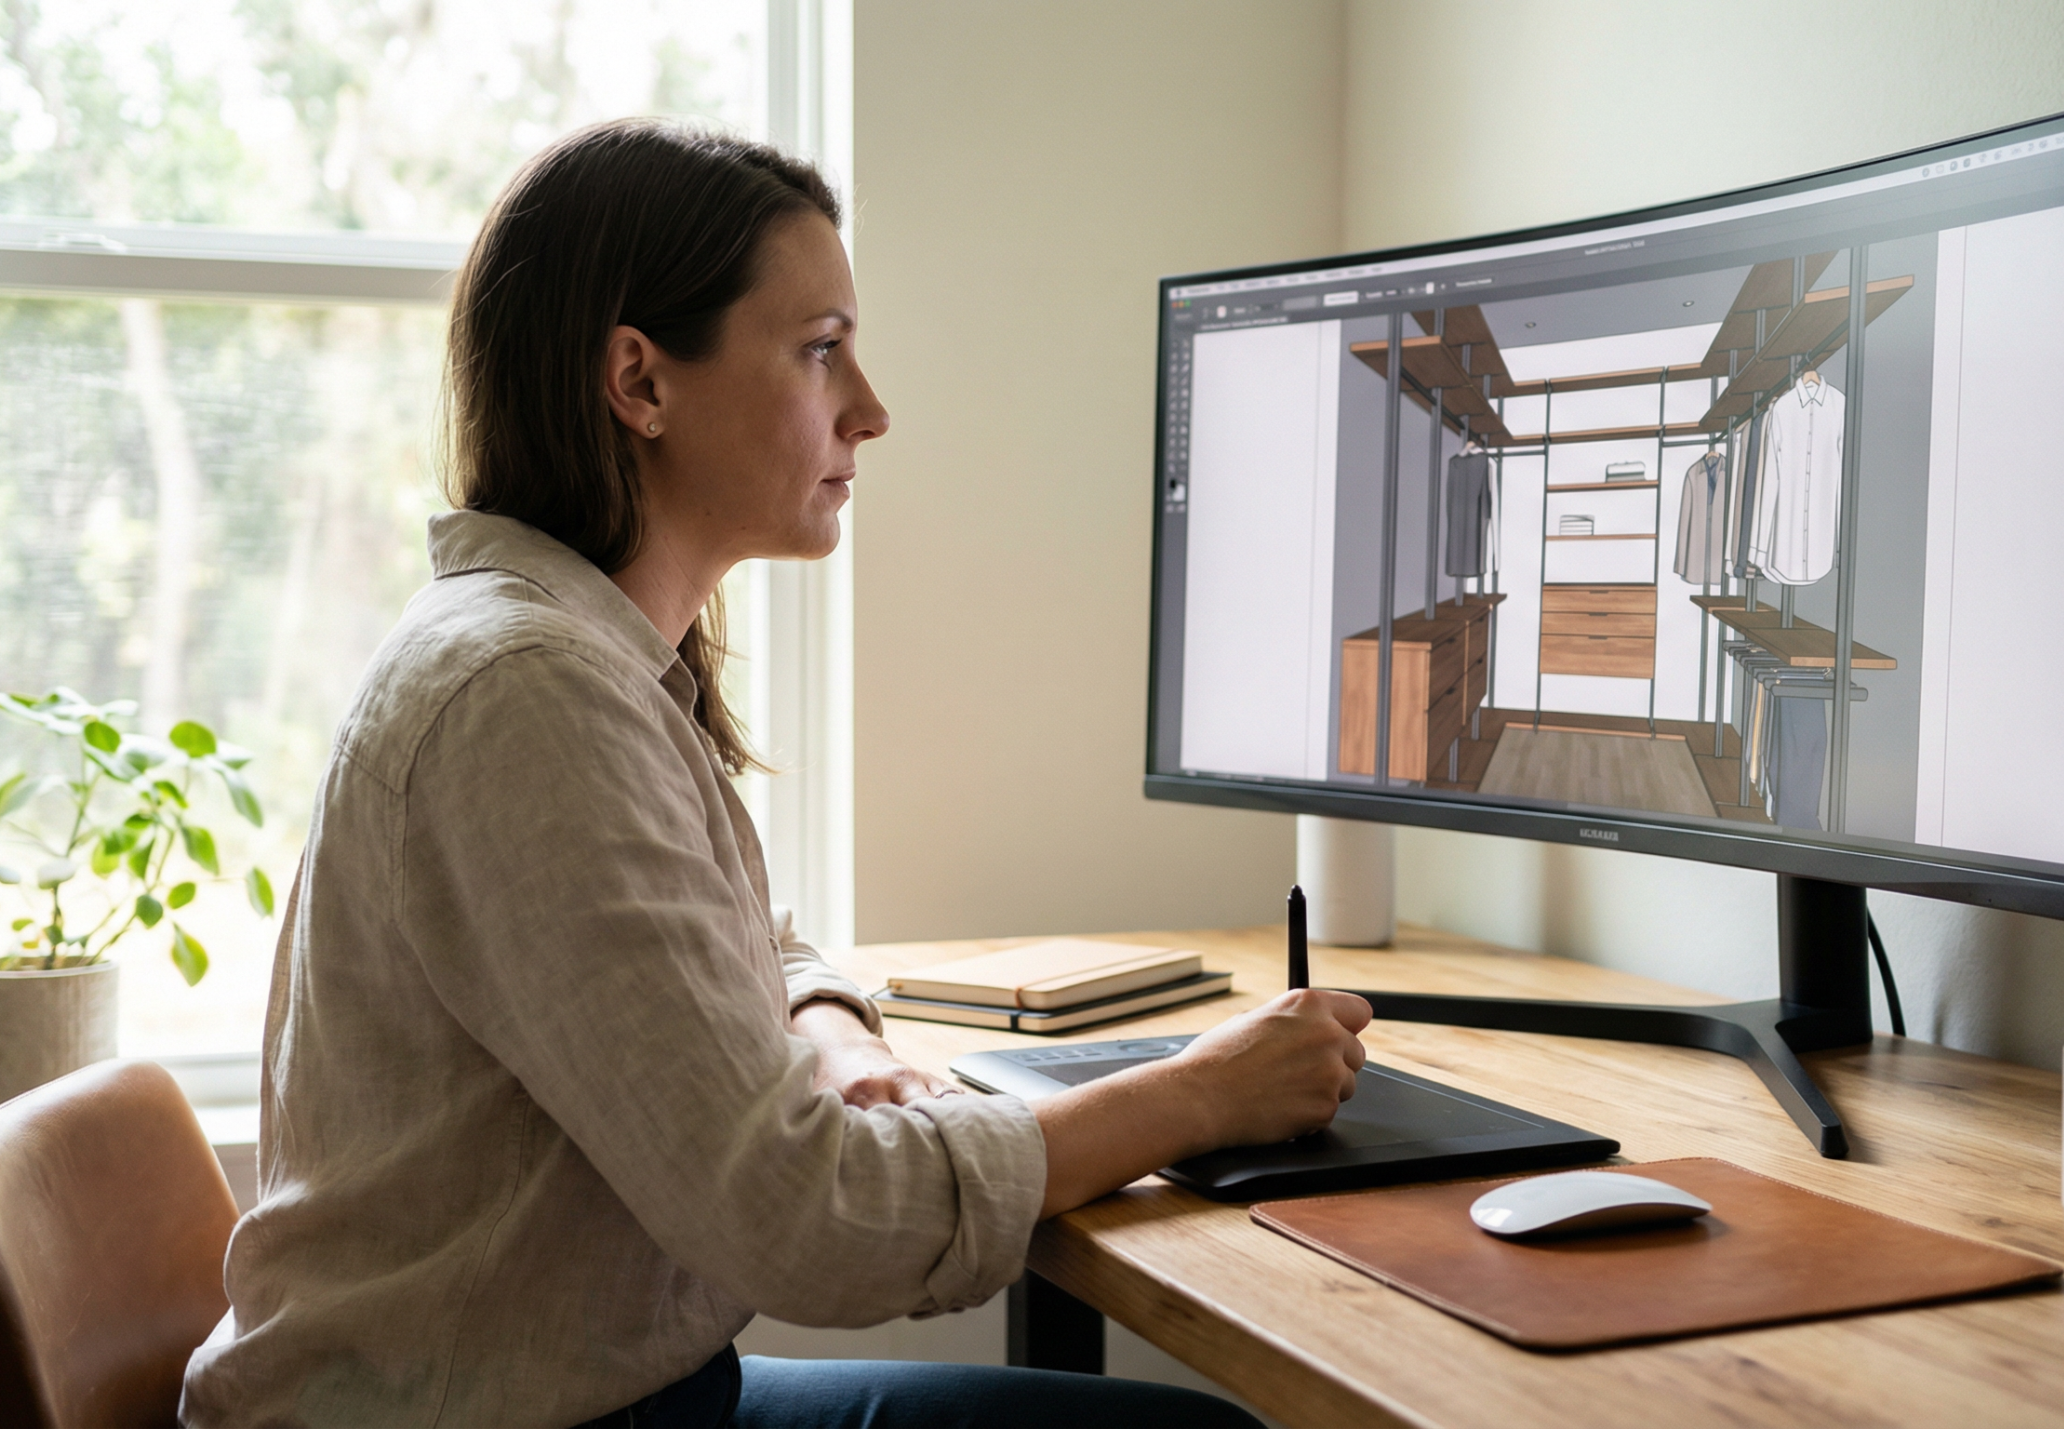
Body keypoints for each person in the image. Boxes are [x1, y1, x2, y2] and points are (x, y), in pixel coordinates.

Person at [179, 119, 1373, 1429]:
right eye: (820, 350)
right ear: (640, 381)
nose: (870, 407)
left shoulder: (569, 652)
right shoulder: (527, 698)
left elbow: (712, 940)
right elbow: (818, 1224)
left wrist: (827, 1029)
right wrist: (1203, 1094)